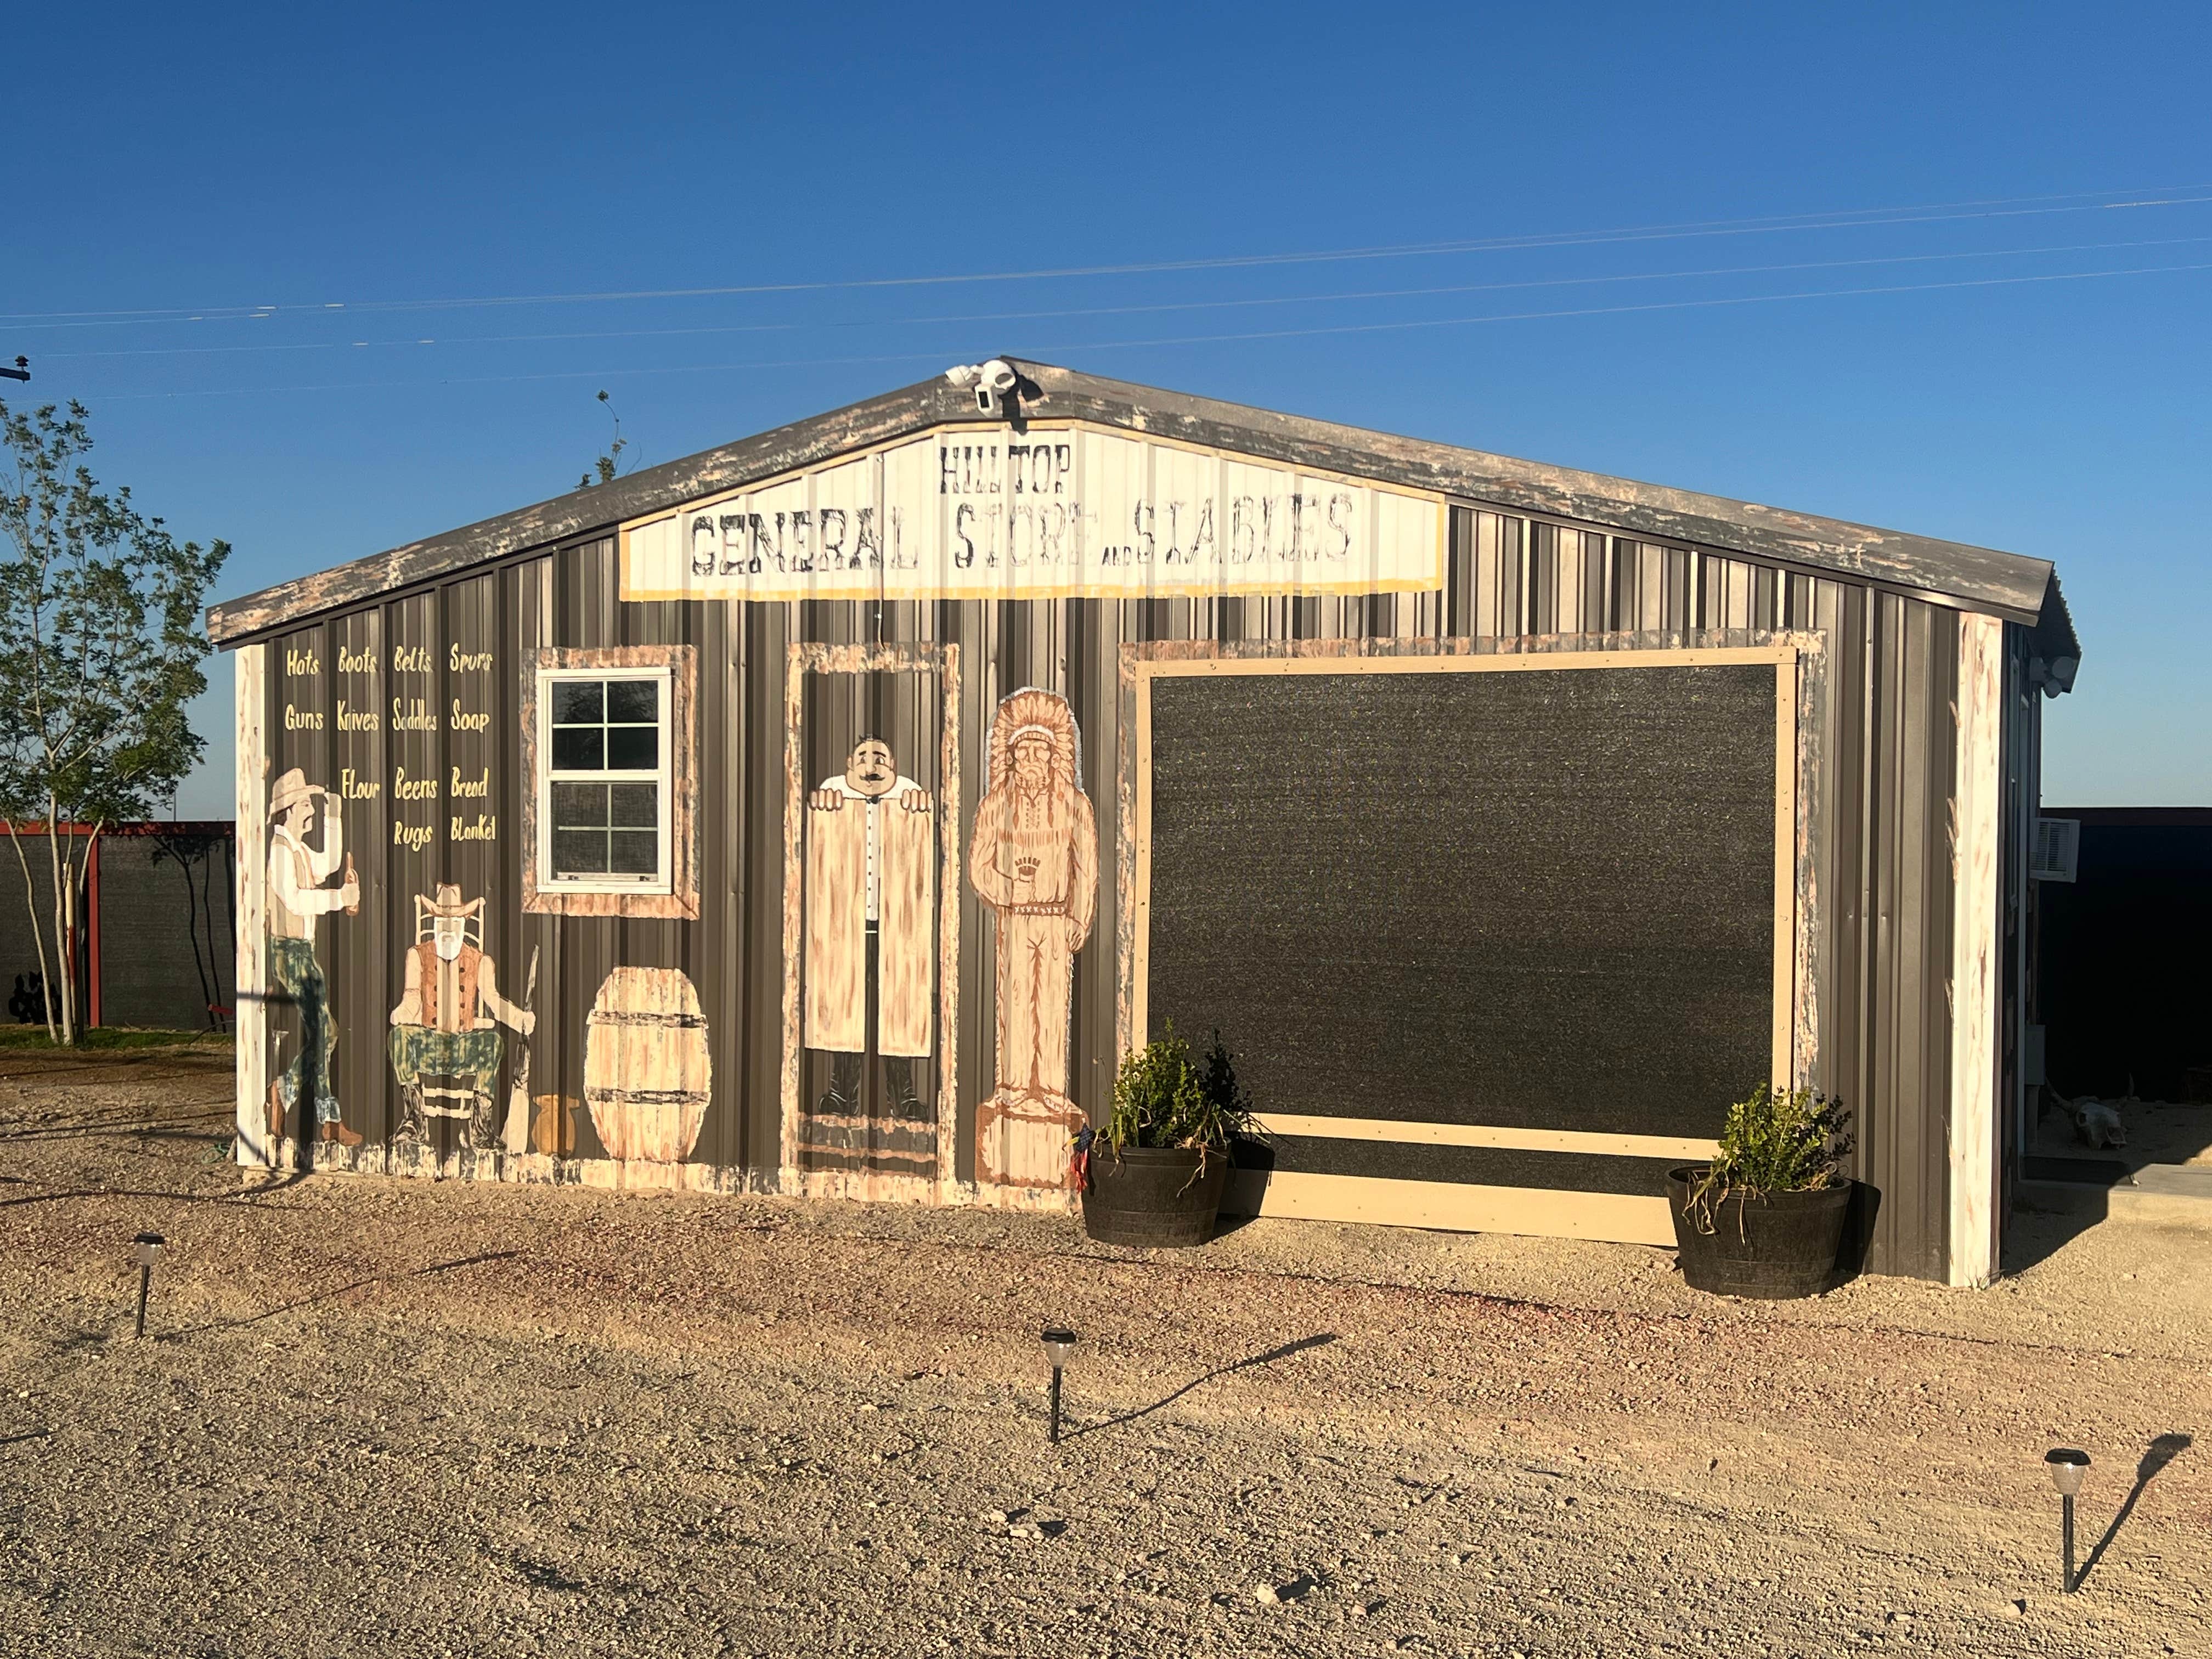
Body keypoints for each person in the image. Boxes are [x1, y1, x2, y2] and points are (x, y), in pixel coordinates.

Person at [967, 689, 1096, 1188]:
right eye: (1023, 751)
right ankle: (1016, 1085)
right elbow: (980, 865)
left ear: (1054, 754)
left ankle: (1053, 1087)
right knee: (1017, 999)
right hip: (1017, 915)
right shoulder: (997, 804)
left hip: (1055, 916)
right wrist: (1008, 888)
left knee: (1054, 1002)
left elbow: (1085, 868)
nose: (1032, 759)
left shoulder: (1074, 805)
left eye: (1040, 750)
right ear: (1012, 756)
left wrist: (1079, 917)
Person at [804, 737, 934, 1156]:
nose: (872, 764)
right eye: (863, 757)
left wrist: (920, 811)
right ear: (849, 763)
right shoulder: (833, 795)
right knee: (847, 1008)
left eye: (881, 757)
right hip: (846, 926)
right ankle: (842, 1096)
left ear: (893, 763)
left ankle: (904, 1098)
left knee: (899, 1009)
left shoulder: (908, 796)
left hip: (897, 927)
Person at [388, 884, 534, 1152]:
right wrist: (403, 1013)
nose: (447, 927)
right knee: (399, 1038)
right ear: (433, 923)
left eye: (454, 921)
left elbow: (492, 1000)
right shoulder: (417, 956)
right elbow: (412, 995)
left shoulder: (481, 961)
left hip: (463, 1044)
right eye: (441, 921)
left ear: (463, 924)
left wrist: (519, 1019)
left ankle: (480, 1127)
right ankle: (414, 1120)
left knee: (492, 1042)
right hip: (429, 1043)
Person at [266, 768, 359, 1147]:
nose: (310, 810)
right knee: (327, 1032)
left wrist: (333, 816)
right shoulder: (278, 852)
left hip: (304, 951)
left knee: (323, 1033)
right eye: (306, 804)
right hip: (288, 951)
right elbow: (295, 899)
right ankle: (285, 1093)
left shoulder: (300, 850)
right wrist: (340, 899)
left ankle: (327, 1120)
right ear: (288, 809)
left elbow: (331, 864)